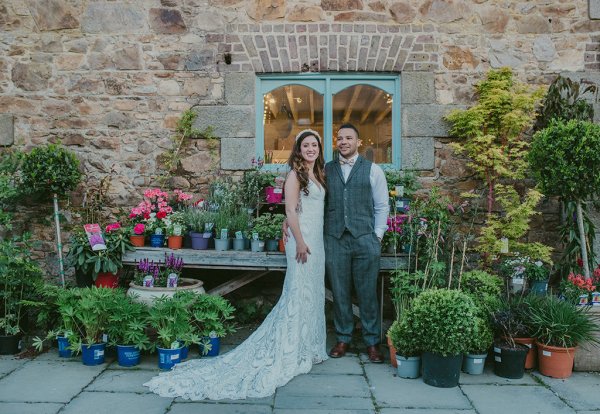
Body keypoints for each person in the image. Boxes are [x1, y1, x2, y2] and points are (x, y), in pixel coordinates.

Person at [144, 129, 328, 400]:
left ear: (319, 149)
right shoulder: (294, 175)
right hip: (302, 240)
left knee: (312, 290)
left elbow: (303, 208)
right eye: (306, 145)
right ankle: (290, 347)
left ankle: (308, 345)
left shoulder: (318, 174)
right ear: (298, 150)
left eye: (315, 145)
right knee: (298, 290)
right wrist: (298, 240)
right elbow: (289, 210)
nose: (311, 149)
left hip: (317, 238)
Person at [325, 123, 388, 363]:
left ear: (358, 142)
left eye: (348, 138)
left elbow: (382, 206)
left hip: (365, 240)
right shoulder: (326, 170)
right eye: (340, 138)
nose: (343, 142)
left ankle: (372, 342)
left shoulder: (374, 170)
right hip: (335, 239)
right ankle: (343, 338)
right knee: (339, 292)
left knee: (367, 293)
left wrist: (377, 235)